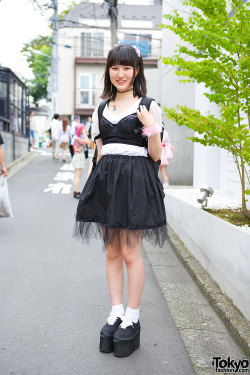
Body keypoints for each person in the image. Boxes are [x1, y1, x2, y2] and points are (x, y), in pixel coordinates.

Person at [73, 44, 167, 357]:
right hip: (105, 184)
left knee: (130, 253)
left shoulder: (149, 105)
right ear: (108, 71)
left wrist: (150, 127)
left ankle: (133, 316)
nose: (120, 74)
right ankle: (115, 312)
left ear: (137, 70)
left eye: (127, 68)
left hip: (136, 184)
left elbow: (155, 155)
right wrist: (89, 187)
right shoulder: (101, 109)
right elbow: (98, 153)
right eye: (115, 68)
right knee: (112, 251)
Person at [72, 124, 89, 199]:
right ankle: (77, 192)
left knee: (76, 176)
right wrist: (85, 133)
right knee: (78, 176)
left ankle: (76, 191)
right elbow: (88, 142)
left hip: (77, 156)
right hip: (79, 157)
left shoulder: (76, 137)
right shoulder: (78, 139)